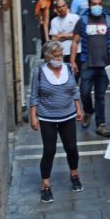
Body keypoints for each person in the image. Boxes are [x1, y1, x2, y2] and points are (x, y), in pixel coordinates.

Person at [29, 41, 84, 203]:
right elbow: (34, 95)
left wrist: (78, 108)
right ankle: (45, 183)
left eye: (61, 54)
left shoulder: (68, 68)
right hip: (47, 117)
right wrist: (33, 116)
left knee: (72, 147)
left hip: (67, 115)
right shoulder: (39, 72)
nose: (59, 57)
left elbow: (74, 89)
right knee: (49, 150)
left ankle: (74, 174)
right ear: (47, 56)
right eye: (55, 55)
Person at [70, 0, 110, 137]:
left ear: (102, 5)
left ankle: (101, 124)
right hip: (87, 63)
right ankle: (88, 111)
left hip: (105, 64)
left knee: (100, 96)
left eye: (99, 3)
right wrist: (73, 60)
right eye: (94, 4)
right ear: (89, 5)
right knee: (84, 92)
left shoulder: (109, 19)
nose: (97, 6)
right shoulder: (83, 21)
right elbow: (75, 41)